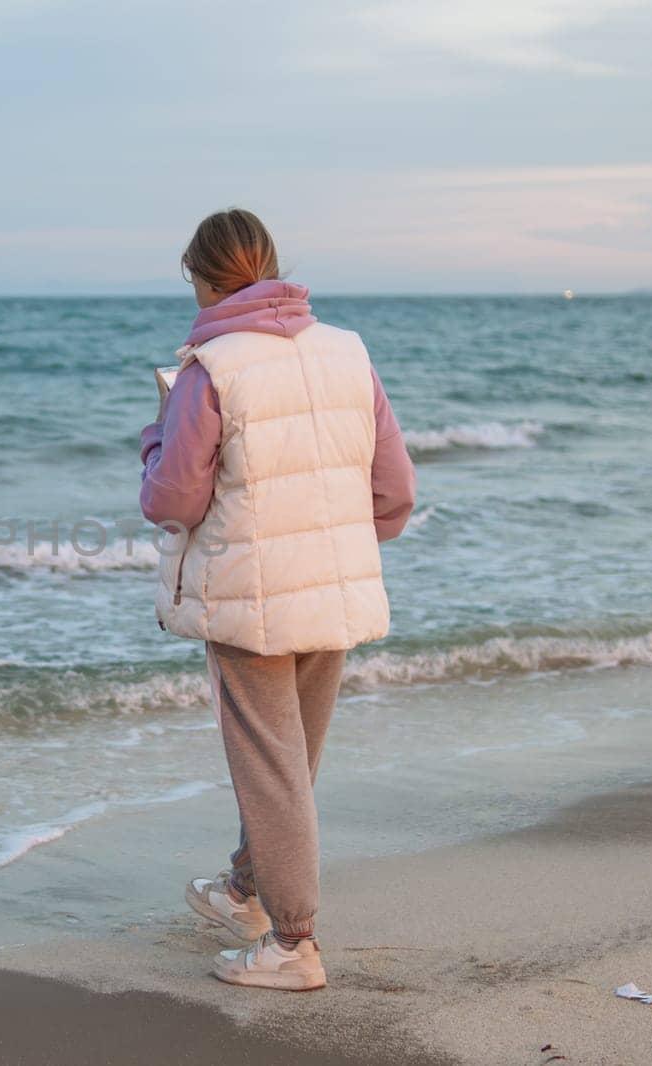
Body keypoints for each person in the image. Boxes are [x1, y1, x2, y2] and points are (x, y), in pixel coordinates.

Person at [139, 208, 416, 990]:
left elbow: (173, 501)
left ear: (200, 275)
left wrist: (155, 436)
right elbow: (394, 491)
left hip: (248, 598)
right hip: (331, 587)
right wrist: (342, 541)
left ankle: (293, 944)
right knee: (291, 762)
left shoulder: (210, 367)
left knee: (272, 766)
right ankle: (244, 893)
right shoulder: (348, 352)